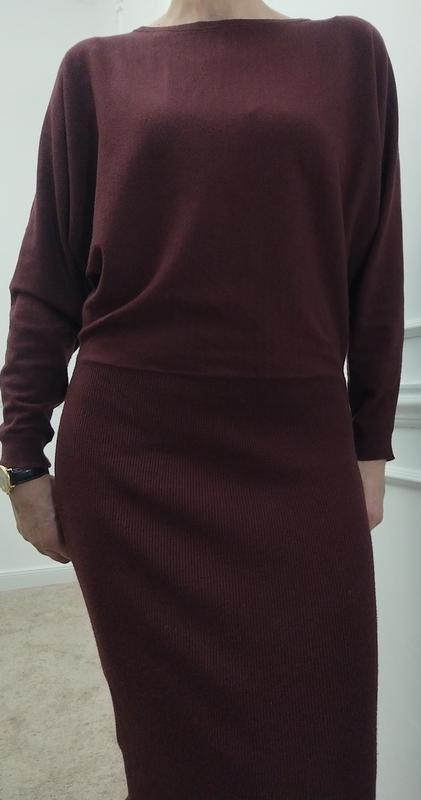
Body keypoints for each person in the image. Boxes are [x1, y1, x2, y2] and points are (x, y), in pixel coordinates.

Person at [0, 1, 405, 797]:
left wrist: (370, 444)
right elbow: (46, 281)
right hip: (132, 463)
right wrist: (20, 460)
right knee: (170, 754)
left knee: (322, 736)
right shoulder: (93, 69)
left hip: (297, 452)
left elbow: (376, 265)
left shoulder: (349, 54)